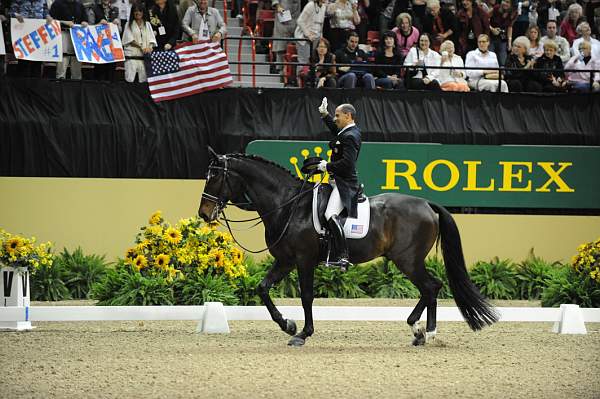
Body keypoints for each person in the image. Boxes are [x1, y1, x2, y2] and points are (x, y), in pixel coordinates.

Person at [317, 97, 362, 271]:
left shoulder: (351, 136)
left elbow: (347, 164)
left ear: (348, 116)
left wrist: (326, 166)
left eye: (337, 116)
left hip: (344, 184)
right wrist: (324, 115)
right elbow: (336, 131)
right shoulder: (347, 132)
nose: (335, 119)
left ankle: (343, 256)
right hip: (335, 180)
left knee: (330, 214)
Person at [9, 0, 53, 77]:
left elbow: (46, 13)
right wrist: (15, 15)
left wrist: (48, 16)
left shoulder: (43, 1)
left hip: (38, 35)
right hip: (22, 34)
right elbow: (10, 12)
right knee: (23, 62)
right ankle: (21, 86)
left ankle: (35, 86)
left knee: (37, 62)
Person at [50, 0, 88, 80]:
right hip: (63, 33)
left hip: (77, 35)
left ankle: (76, 82)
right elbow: (50, 20)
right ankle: (60, 81)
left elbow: (85, 19)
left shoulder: (79, 5)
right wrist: (64, 22)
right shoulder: (57, 3)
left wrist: (84, 22)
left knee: (77, 59)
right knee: (63, 60)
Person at [123, 3, 157, 82]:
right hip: (132, 58)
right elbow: (130, 40)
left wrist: (150, 48)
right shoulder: (128, 24)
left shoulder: (147, 24)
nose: (137, 13)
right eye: (135, 11)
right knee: (130, 81)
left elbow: (152, 40)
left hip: (144, 59)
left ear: (143, 12)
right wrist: (142, 47)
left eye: (140, 11)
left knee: (142, 83)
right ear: (132, 13)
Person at [295, 0, 327, 76]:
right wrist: (308, 34)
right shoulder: (310, 5)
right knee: (304, 61)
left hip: (316, 38)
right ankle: (301, 81)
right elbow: (300, 21)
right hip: (303, 37)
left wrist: (321, 37)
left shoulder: (323, 7)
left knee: (313, 60)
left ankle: (311, 80)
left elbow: (321, 24)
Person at [91, 0, 120, 81]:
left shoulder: (115, 9)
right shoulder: (94, 9)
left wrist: (117, 25)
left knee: (111, 73)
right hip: (99, 46)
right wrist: (98, 24)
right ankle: (98, 92)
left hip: (112, 47)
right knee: (100, 72)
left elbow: (120, 30)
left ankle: (110, 92)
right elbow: (89, 29)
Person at [271, 0, 302, 73]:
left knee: (294, 46)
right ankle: (279, 68)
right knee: (281, 44)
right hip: (283, 13)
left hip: (296, 16)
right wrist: (277, 6)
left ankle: (292, 71)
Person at [488, 0, 517, 66]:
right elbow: (485, 19)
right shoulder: (496, 8)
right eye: (503, 1)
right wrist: (492, 29)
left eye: (507, 2)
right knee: (491, 58)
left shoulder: (514, 13)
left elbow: (510, 27)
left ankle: (503, 75)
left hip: (502, 37)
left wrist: (509, 42)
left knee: (503, 60)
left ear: (511, 5)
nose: (504, 3)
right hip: (491, 37)